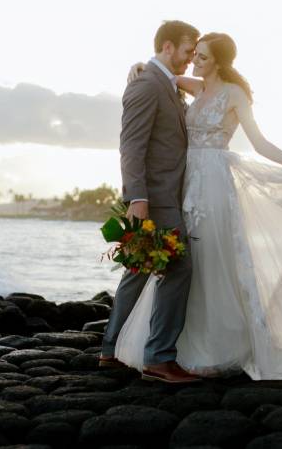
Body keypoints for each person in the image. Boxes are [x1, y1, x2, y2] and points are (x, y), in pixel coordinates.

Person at [113, 31, 282, 380]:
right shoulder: (193, 85)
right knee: (185, 264)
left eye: (204, 57)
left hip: (214, 184)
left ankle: (215, 348)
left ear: (221, 62)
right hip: (184, 183)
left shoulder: (235, 94)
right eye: (195, 54)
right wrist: (137, 67)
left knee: (213, 262)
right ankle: (172, 349)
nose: (196, 60)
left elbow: (260, 143)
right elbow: (158, 74)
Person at [99, 20, 201, 383]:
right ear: (168, 46)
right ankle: (159, 357)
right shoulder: (146, 84)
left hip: (168, 193)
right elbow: (131, 147)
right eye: (188, 51)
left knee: (139, 269)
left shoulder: (165, 83)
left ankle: (110, 349)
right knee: (179, 269)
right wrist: (137, 198)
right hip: (156, 198)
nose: (191, 59)